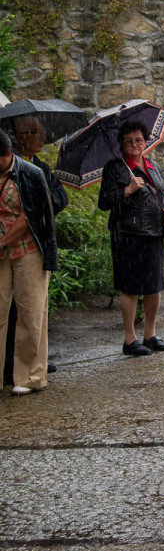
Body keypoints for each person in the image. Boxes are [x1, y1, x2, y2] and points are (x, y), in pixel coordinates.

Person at [98, 122, 164, 356]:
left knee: (154, 285)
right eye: (129, 141)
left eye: (139, 140)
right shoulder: (115, 167)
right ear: (122, 144)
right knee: (130, 287)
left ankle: (150, 335)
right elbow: (104, 202)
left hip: (154, 232)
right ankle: (130, 339)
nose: (135, 144)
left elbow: (163, 195)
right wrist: (128, 189)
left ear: (145, 142)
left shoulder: (152, 165)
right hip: (128, 235)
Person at [9, 115, 67, 381]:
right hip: (10, 243)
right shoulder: (9, 167)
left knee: (33, 307)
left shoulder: (41, 168)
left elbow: (59, 199)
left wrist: (40, 204)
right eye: (36, 133)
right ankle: (12, 362)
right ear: (21, 137)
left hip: (36, 243)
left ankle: (34, 362)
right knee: (11, 310)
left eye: (42, 133)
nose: (43, 138)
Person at [0, 132, 57, 395]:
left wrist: (3, 241)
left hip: (28, 249)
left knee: (31, 313)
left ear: (7, 154)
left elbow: (31, 216)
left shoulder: (31, 173)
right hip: (2, 253)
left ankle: (30, 376)